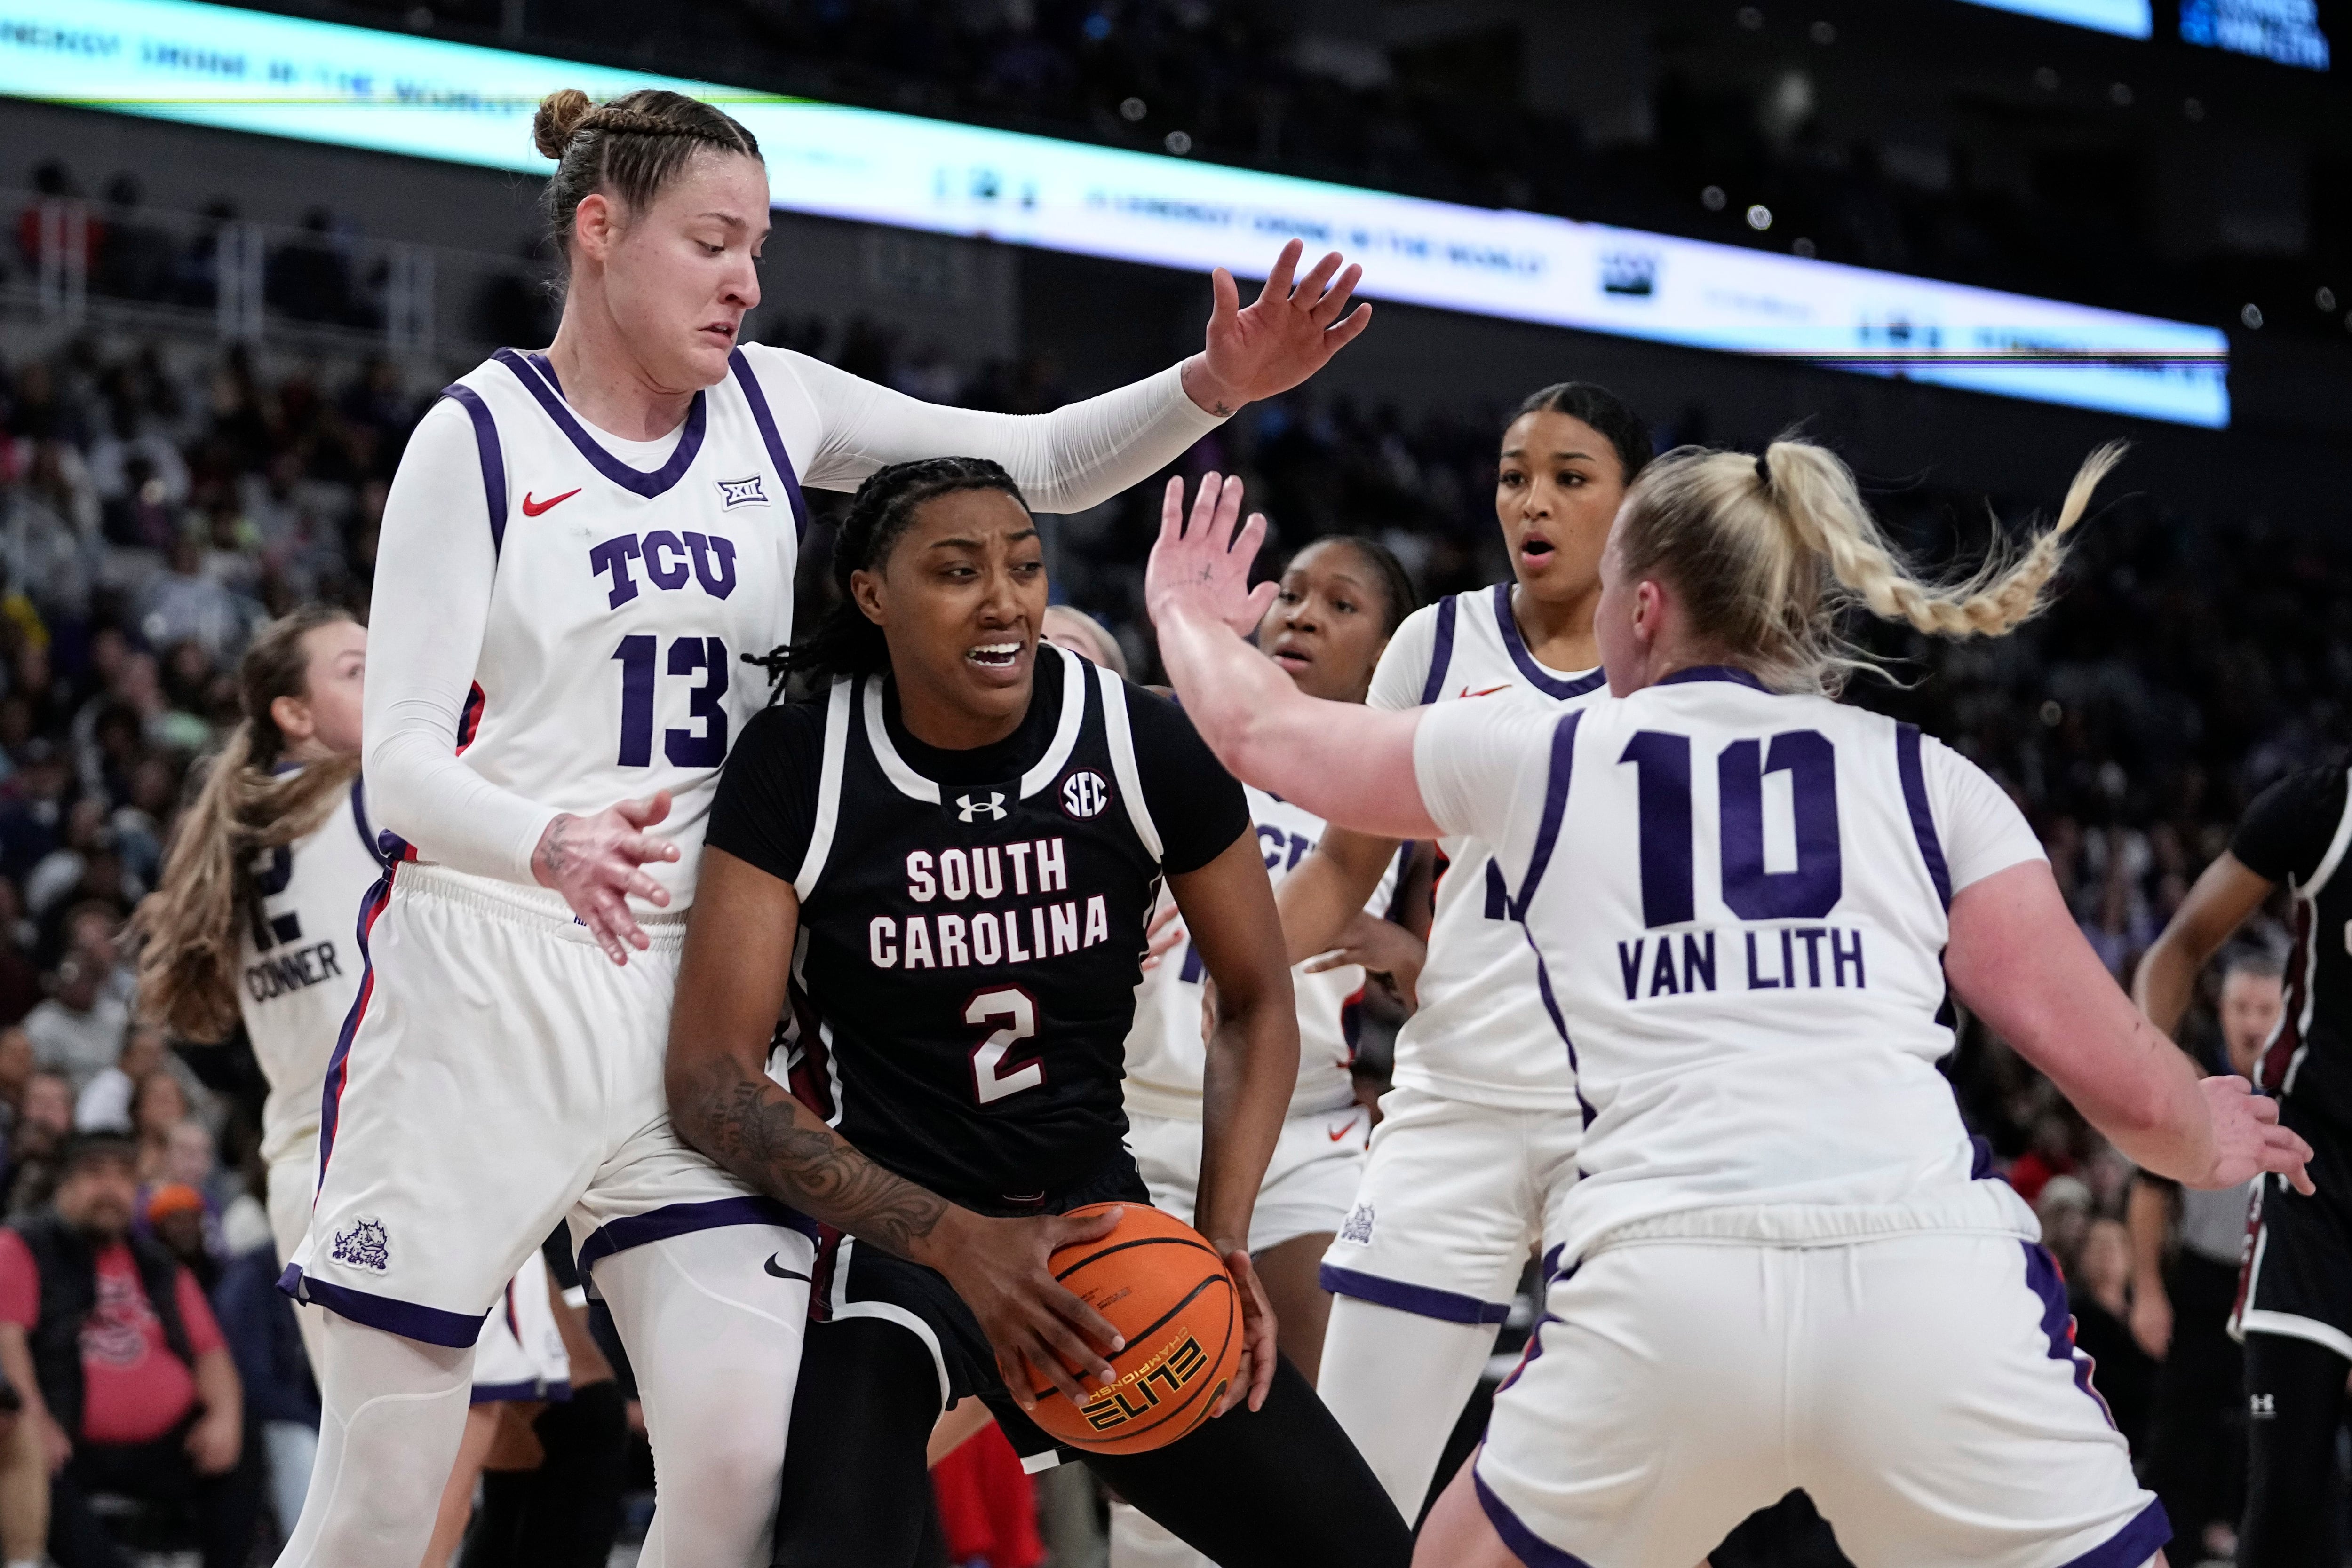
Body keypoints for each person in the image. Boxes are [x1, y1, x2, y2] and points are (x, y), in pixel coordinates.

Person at [278, 81, 1371, 1568]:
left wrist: (1211, 385)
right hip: (494, 969)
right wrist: (545, 837)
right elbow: (400, 761)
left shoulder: (777, 403)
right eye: (711, 242)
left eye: (759, 248)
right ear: (599, 231)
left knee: (741, 1479)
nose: (745, 278)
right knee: (381, 1503)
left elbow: (1042, 462)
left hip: (697, 996)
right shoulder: (475, 439)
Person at [1143, 448, 2316, 1568]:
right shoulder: (1929, 776)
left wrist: (1186, 611)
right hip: (1928, 1284)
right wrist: (2206, 1134)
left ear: (1645, 607)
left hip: (1665, 1287)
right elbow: (2123, 1085)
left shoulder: (1544, 751)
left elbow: (1263, 732)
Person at [664, 457, 1412, 1568]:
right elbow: (711, 1081)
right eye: (957, 571)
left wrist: (1221, 1237)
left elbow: (1256, 998)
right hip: (895, 1256)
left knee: (1366, 1553)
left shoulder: (1141, 741)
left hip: (1098, 1236)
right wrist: (959, 1243)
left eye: (1023, 566)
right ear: (872, 594)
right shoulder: (803, 760)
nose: (1004, 599)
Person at [1272, 381, 1645, 1520]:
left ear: (1635, 501)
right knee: (1350, 1491)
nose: (1533, 501)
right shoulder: (1435, 643)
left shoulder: (1682, 654)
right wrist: (1250, 967)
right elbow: (1344, 862)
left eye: (1570, 478)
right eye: (1514, 477)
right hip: (1456, 1098)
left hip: (1627, 1115)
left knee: (1631, 1503)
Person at [1112, 533, 1426, 1567]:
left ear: (1388, 653)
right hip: (1126, 1121)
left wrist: (1404, 951)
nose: (1301, 614)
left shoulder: (1395, 787)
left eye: (1340, 604)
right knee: (1146, 1435)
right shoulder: (1171, 731)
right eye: (1289, 593)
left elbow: (1461, 977)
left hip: (1300, 1132)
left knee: (1293, 1416)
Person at [131, 603, 374, 1378]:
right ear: (294, 714)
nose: (388, 680)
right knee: (449, 1439)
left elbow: (204, 1036)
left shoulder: (241, 826)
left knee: (553, 1412)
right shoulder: (368, 796)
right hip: (388, 1150)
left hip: (306, 1160)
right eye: (358, 670)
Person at [2136, 783, 2352, 1568]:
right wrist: (2162, 1088)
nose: (2252, 1018)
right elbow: (2180, 945)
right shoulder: (2324, 806)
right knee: (2279, 1486)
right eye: (2243, 1007)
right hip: (2305, 1191)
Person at [0, 1133, 257, 1568]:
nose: (111, 1189)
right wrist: (36, 1418)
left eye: (123, 1177)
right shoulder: (24, 1246)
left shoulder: (157, 1263)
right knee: (22, 1441)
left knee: (244, 1429)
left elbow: (210, 1352)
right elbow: (7, 1339)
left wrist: (225, 1417)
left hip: (165, 1446)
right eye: (95, 1174)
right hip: (70, 1440)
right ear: (63, 1184)